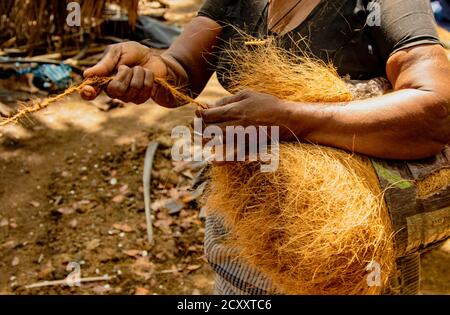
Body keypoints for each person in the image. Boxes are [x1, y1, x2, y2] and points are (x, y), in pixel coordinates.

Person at [81, 0, 450, 294]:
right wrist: (154, 67)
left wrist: (292, 120)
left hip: (350, 244)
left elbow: (436, 110)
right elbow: (182, 68)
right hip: (246, 227)